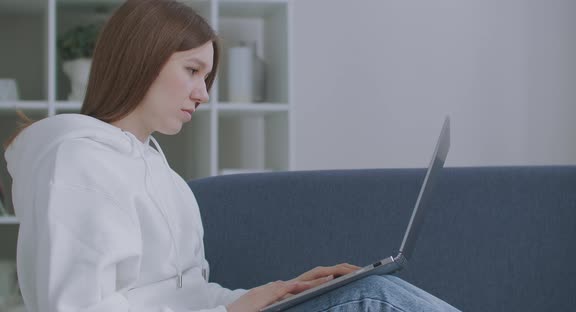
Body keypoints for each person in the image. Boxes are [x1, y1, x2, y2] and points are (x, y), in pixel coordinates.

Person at [4, 1, 461, 311]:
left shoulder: (160, 173)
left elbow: (188, 293)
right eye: (193, 70)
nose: (203, 93)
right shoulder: (78, 162)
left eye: (207, 76)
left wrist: (274, 294)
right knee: (376, 299)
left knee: (367, 290)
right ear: (142, 60)